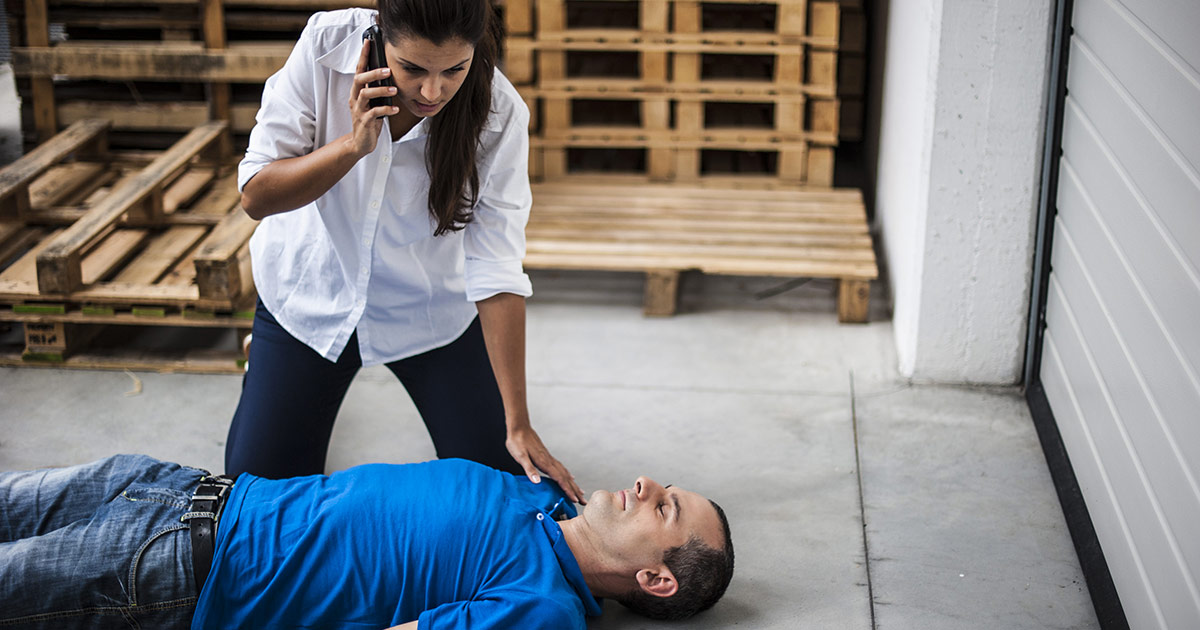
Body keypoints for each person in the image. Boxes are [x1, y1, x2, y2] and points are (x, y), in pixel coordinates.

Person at [226, 0, 580, 500]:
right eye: (412, 69)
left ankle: (273, 371)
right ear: (380, 35)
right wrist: (353, 144)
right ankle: (268, 362)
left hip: (429, 311)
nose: (433, 92)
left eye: (454, 70)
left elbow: (496, 266)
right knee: (253, 504)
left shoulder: (500, 112)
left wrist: (518, 422)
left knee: (509, 495)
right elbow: (255, 195)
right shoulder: (325, 46)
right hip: (308, 302)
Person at [0, 455, 734, 629]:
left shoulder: (543, 607)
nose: (643, 484)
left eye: (663, 508)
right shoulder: (545, 495)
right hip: (180, 485)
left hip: (175, 569)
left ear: (657, 580)